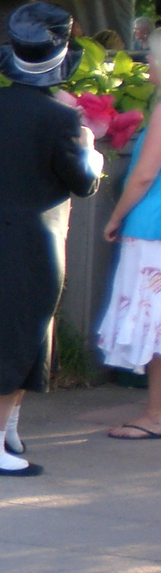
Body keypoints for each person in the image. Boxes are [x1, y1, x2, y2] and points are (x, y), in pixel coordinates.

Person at [0, 1, 103, 476]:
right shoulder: (60, 118)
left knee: (8, 328)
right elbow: (82, 181)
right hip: (37, 237)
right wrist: (92, 152)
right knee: (22, 332)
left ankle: (9, 430)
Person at [97, 108, 161, 439]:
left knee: (154, 325)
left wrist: (115, 216)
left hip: (153, 227)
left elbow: (144, 174)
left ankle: (156, 415)